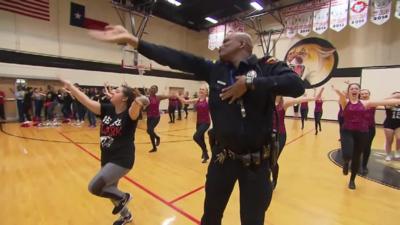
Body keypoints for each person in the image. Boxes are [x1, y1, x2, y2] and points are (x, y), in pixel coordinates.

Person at [89, 25, 304, 225]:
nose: (221, 45)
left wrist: (250, 83)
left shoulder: (266, 67)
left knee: (252, 219)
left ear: (242, 45)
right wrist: (135, 41)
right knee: (210, 215)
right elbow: (176, 58)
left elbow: (296, 85)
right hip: (222, 158)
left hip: (257, 163)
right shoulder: (214, 70)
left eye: (227, 41)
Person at [59, 77, 149, 225]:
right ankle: (126, 216)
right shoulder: (107, 109)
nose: (113, 92)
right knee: (110, 189)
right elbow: (86, 101)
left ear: (125, 98)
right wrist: (70, 86)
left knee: (94, 187)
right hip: (107, 157)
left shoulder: (130, 113)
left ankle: (124, 196)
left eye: (117, 91)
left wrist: (139, 101)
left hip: (122, 160)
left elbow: (141, 102)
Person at [332, 84, 400, 189]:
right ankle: (346, 162)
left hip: (362, 132)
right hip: (347, 131)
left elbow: (386, 102)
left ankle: (352, 180)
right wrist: (337, 90)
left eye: (356, 88)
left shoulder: (366, 103)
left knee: (356, 157)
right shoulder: (345, 102)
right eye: (352, 89)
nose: (354, 90)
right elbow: (341, 96)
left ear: (359, 91)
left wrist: (397, 98)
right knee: (347, 154)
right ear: (349, 91)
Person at [271, 94, 315, 189]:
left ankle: (274, 180)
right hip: (268, 135)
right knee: (266, 161)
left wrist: (313, 97)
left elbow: (299, 100)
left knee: (273, 160)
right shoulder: (267, 102)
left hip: (280, 135)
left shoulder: (284, 103)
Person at [178, 85, 211, 163]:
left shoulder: (207, 100)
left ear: (206, 92)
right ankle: (205, 154)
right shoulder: (197, 100)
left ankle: (205, 151)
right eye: (200, 89)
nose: (201, 90)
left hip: (206, 123)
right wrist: (178, 96)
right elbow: (185, 102)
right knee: (201, 139)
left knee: (196, 137)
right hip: (198, 123)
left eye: (203, 89)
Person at [146, 85, 170, 153]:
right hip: (149, 117)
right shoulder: (147, 97)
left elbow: (168, 96)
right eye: (152, 88)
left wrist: (174, 95)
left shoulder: (158, 97)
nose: (152, 89)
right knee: (149, 132)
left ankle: (157, 137)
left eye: (154, 88)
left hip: (156, 117)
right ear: (150, 89)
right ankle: (154, 148)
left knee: (150, 130)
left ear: (156, 91)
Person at [382, 92, 400, 161]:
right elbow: (382, 101)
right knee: (389, 140)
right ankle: (388, 154)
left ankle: (397, 151)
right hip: (389, 124)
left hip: (399, 124)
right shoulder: (388, 104)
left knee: (399, 139)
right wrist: (393, 96)